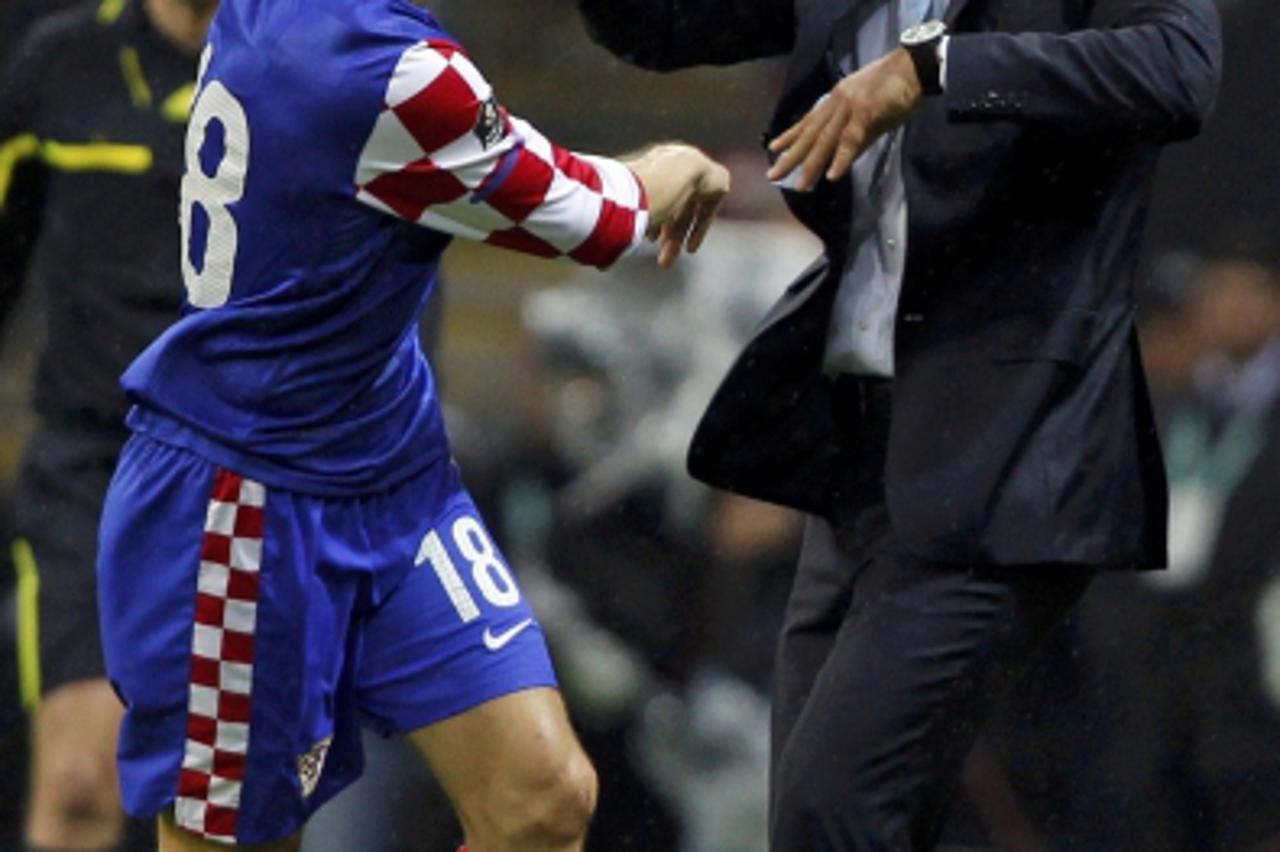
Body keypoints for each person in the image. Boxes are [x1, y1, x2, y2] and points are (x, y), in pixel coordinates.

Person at [576, 0, 1221, 848]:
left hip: (1003, 451)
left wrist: (936, 67)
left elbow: (1181, 67)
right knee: (818, 819)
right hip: (859, 460)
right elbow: (654, 26)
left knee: (829, 812)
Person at [93, 0, 730, 849]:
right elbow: (600, 220)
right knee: (236, 841)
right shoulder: (386, 70)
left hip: (397, 480)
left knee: (543, 801)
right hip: (247, 505)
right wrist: (679, 160)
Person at [0, 0, 216, 847]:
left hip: (245, 471)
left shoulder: (304, 63)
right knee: (82, 780)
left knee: (221, 801)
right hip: (90, 466)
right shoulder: (58, 63)